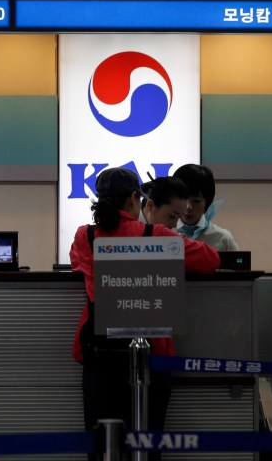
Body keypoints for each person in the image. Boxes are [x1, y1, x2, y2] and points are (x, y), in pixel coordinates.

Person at [71, 167, 219, 459]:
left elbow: (79, 266)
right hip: (152, 357)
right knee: (147, 444)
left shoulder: (84, 236)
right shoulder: (156, 234)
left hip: (100, 356)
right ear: (133, 199)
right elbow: (210, 259)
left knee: (102, 446)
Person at [173, 163, 239, 251]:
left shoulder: (222, 238)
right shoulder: (162, 235)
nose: (189, 207)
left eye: (196, 201)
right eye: (184, 199)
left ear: (207, 202)